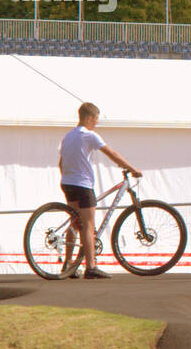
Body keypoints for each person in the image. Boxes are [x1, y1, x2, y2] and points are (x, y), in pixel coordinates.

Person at [58, 102, 141, 280]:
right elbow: (111, 153)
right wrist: (132, 168)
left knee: (74, 222)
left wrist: (68, 176)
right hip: (83, 184)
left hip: (67, 182)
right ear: (89, 118)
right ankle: (91, 267)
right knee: (88, 226)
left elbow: (61, 161)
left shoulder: (68, 136)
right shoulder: (89, 135)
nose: (96, 123)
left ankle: (68, 263)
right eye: (96, 119)